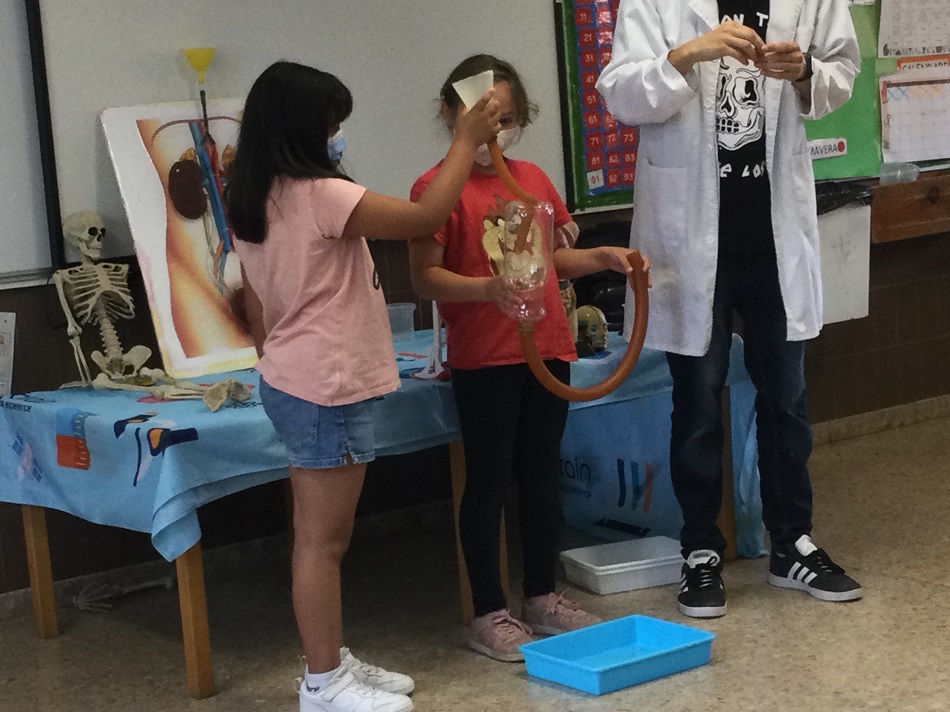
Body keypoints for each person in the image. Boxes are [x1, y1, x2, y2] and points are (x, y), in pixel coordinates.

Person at [226, 60, 500, 712]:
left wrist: (284, 362)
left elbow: (257, 306)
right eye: (331, 126)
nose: (338, 138)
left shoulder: (255, 199)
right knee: (323, 543)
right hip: (325, 386)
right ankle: (324, 684)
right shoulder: (321, 194)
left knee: (315, 538)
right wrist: (466, 139)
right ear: (303, 129)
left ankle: (328, 662)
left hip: (296, 378)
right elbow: (426, 215)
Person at [596, 0, 863, 618]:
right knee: (696, 405)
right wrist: (686, 56)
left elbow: (841, 72)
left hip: (774, 234)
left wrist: (804, 71)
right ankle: (699, 549)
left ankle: (791, 543)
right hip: (690, 239)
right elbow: (621, 95)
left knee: (786, 399)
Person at [409, 54, 651, 662]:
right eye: (483, 117)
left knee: (543, 473)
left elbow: (549, 261)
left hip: (547, 348)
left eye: (507, 119)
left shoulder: (534, 181)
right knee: (489, 480)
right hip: (485, 358)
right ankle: (489, 611)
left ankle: (542, 596)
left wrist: (600, 258)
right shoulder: (435, 191)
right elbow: (425, 279)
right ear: (450, 114)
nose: (497, 131)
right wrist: (487, 290)